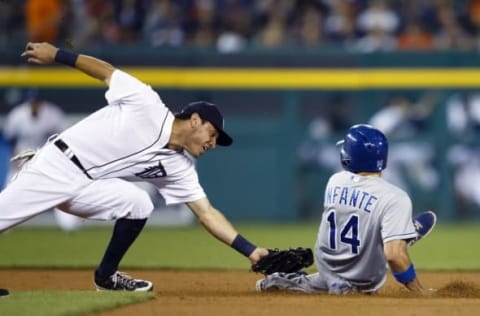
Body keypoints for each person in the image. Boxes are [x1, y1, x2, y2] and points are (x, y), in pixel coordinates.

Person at [0, 41, 268, 292]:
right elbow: (106, 72)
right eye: (213, 135)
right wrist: (57, 54)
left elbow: (207, 213)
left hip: (87, 185)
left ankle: (106, 276)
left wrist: (251, 251)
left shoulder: (180, 167)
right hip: (57, 165)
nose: (212, 143)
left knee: (139, 203)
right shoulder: (146, 103)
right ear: (195, 120)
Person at [256, 124, 436, 294]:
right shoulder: (396, 197)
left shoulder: (335, 181)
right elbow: (394, 257)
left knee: (365, 229)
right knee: (393, 248)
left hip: (329, 267)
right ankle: (401, 235)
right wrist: (419, 291)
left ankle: (291, 282)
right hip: (363, 276)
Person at [3, 88, 82, 232]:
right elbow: (10, 138)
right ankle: (5, 224)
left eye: (36, 102)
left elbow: (64, 136)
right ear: (27, 102)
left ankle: (69, 225)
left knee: (61, 188)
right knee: (11, 188)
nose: (34, 105)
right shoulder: (18, 115)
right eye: (31, 102)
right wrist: (12, 155)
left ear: (41, 102)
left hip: (45, 156)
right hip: (22, 155)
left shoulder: (52, 113)